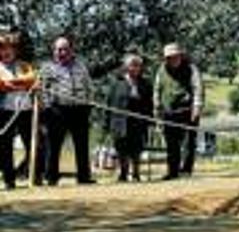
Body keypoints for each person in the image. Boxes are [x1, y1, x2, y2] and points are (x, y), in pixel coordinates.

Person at [41, 36, 95, 186]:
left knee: (82, 144)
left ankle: (84, 177)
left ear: (71, 50)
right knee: (53, 145)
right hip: (57, 110)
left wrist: (88, 104)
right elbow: (42, 91)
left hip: (79, 109)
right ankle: (51, 177)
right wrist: (47, 108)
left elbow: (89, 86)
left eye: (65, 49)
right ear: (54, 51)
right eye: (59, 49)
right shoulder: (47, 68)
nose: (62, 52)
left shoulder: (81, 66)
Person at [153, 43, 204, 181]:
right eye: (169, 57)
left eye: (175, 56)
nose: (172, 59)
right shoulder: (161, 70)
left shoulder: (191, 68)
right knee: (171, 143)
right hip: (169, 112)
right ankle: (172, 171)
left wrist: (197, 107)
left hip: (188, 109)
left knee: (189, 141)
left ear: (180, 56)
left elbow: (197, 87)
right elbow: (157, 90)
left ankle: (186, 170)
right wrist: (157, 109)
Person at [105, 54, 153, 182]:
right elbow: (109, 103)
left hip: (138, 121)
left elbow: (149, 103)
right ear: (126, 67)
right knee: (121, 148)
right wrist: (107, 123)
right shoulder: (117, 83)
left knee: (136, 148)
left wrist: (150, 120)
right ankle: (123, 173)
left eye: (137, 66)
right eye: (132, 65)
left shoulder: (145, 84)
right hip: (120, 122)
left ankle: (136, 173)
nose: (135, 68)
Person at [0, 32, 38, 190]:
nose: (5, 51)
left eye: (8, 47)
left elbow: (33, 78)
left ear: (14, 50)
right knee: (4, 147)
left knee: (33, 143)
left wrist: (14, 84)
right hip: (5, 111)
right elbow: (2, 85)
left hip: (26, 110)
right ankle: (9, 180)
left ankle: (34, 176)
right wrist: (23, 84)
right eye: (1, 48)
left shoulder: (24, 65)